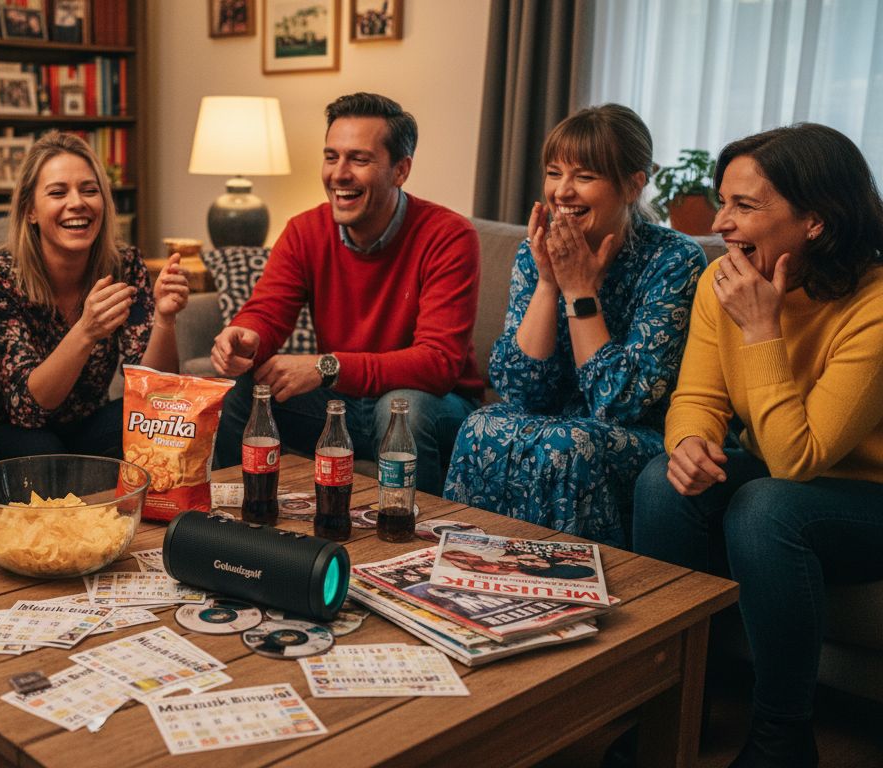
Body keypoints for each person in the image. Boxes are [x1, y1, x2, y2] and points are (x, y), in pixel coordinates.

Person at [633, 123, 883, 768]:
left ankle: (783, 734)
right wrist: (690, 442)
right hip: (785, 474)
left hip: (867, 499)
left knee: (766, 505)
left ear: (816, 222)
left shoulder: (874, 306)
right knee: (663, 480)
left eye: (744, 206)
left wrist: (763, 327)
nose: (720, 223)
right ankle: (679, 699)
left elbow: (799, 459)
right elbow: (697, 397)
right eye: (723, 201)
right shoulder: (726, 279)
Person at [442, 104, 706, 546]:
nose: (562, 191)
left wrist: (580, 290)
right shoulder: (535, 251)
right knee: (481, 424)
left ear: (632, 184)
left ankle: (567, 582)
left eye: (584, 176)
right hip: (556, 422)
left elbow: (621, 402)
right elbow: (521, 391)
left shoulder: (674, 259)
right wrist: (548, 282)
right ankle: (470, 570)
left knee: (568, 442)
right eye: (553, 173)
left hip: (641, 435)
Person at [211, 92, 481, 493]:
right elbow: (267, 311)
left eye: (359, 159)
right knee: (248, 391)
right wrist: (246, 336)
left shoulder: (449, 236)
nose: (339, 174)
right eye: (331, 156)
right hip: (342, 400)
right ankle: (229, 517)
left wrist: (326, 367)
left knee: (400, 407)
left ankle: (411, 539)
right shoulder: (305, 230)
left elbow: (437, 362)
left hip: (434, 404)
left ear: (400, 170)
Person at [0, 131, 188, 457]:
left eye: (90, 191)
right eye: (58, 192)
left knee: (156, 422)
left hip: (87, 424)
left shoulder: (124, 265)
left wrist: (165, 320)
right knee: (44, 450)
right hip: (13, 429)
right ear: (30, 210)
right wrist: (86, 330)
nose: (77, 203)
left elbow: (155, 394)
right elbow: (27, 410)